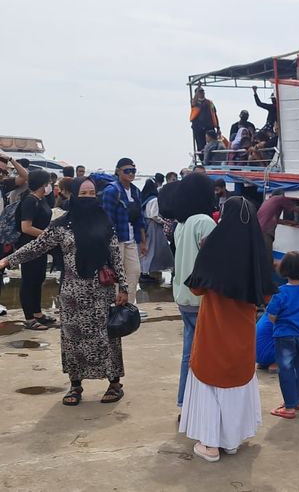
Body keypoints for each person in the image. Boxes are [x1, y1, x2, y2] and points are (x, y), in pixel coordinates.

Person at [0, 178, 129, 405]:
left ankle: (114, 383)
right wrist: (7, 260)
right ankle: (75, 385)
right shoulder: (61, 225)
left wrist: (124, 288)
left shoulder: (104, 221)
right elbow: (36, 246)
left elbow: (115, 256)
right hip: (72, 294)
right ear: (74, 195)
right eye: (83, 193)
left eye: (91, 193)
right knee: (72, 339)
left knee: (107, 337)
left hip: (101, 291)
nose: (88, 197)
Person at [179, 196, 275, 462]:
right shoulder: (257, 251)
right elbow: (266, 295)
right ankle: (231, 441)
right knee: (235, 382)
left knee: (210, 380)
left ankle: (210, 444)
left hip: (214, 329)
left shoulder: (213, 246)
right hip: (243, 332)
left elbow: (196, 287)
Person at [169, 173, 217, 411]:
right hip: (201, 299)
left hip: (183, 296)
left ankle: (184, 401)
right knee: (204, 356)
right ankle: (196, 406)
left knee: (189, 352)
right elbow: (214, 258)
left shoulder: (182, 224)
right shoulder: (205, 222)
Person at [267, 251, 299, 419]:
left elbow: (272, 316)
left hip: (284, 336)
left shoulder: (280, 292)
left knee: (286, 369)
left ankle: (289, 407)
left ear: (284, 270)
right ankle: (298, 401)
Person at [101, 158, 147, 307]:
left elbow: (140, 218)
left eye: (133, 170)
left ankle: (128, 306)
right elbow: (108, 220)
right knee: (116, 276)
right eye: (127, 171)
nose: (131, 173)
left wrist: (143, 242)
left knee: (134, 272)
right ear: (118, 171)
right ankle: (114, 306)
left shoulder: (135, 191)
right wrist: (110, 245)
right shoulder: (111, 191)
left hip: (131, 239)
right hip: (117, 240)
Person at [13, 170, 55, 330]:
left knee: (38, 278)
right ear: (42, 184)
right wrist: (48, 235)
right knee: (29, 280)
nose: (50, 186)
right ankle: (29, 317)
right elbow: (26, 227)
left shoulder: (41, 199)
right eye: (48, 183)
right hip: (29, 246)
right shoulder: (30, 200)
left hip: (41, 247)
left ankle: (38, 313)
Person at [139, 179, 174, 283]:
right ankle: (145, 272)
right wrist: (163, 221)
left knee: (147, 249)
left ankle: (144, 271)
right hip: (153, 226)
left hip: (145, 225)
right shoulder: (154, 200)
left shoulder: (145, 198)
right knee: (152, 249)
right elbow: (154, 215)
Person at [257, 190, 296, 270]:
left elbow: (273, 218)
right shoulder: (279, 198)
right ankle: (267, 277)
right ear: (281, 195)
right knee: (268, 257)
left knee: (260, 254)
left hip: (257, 230)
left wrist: (289, 222)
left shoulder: (267, 201)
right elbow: (295, 209)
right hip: (266, 231)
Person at [190, 86, 219, 153]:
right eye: (200, 92)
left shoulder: (210, 102)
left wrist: (218, 127)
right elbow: (193, 103)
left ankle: (212, 158)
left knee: (213, 144)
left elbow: (214, 114)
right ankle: (203, 159)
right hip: (198, 128)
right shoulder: (195, 102)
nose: (202, 93)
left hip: (209, 127)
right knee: (200, 145)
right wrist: (198, 88)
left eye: (203, 91)